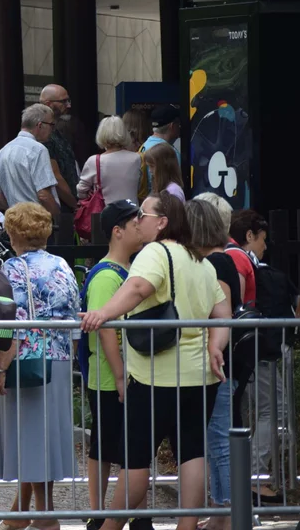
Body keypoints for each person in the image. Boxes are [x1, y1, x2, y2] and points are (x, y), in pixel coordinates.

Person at [80, 192, 230, 530]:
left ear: (161, 222)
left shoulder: (155, 252)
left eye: (143, 215)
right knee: (191, 452)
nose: (138, 220)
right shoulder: (201, 261)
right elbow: (222, 312)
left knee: (135, 459)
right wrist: (215, 346)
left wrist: (102, 313)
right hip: (198, 375)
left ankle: (110, 528)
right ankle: (187, 525)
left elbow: (138, 287)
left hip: (155, 376)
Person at [0, 202, 80, 530]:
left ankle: (46, 515)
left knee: (32, 439)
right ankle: (22, 511)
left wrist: (0, 367)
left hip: (26, 360)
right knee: (42, 437)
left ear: (14, 233)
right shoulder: (62, 265)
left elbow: (13, 322)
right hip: (57, 358)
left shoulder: (13, 268)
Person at [185, 196, 245, 529]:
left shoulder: (218, 264)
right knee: (217, 436)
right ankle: (221, 508)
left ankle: (225, 511)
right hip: (218, 360)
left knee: (219, 437)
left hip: (219, 362)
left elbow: (220, 312)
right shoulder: (219, 261)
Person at [82, 199, 142, 517]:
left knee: (119, 444)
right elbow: (104, 328)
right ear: (118, 231)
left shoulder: (128, 270)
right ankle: (97, 511)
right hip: (108, 376)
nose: (141, 226)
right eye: (135, 223)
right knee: (105, 445)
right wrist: (119, 376)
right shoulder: (107, 276)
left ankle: (115, 510)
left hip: (120, 373)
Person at [227, 209, 291, 506]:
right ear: (250, 236)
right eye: (262, 239)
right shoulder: (241, 260)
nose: (266, 247)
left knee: (261, 412)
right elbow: (238, 307)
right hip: (254, 352)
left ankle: (251, 477)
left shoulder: (240, 260)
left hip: (249, 353)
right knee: (273, 411)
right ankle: (253, 478)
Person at [0, 104, 60, 217]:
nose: (52, 130)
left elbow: (1, 196)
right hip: (36, 219)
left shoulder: (2, 152)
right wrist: (57, 216)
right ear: (40, 125)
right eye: (51, 125)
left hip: (13, 219)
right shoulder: (38, 149)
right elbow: (43, 194)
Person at [78, 116, 142, 206]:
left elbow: (81, 190)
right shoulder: (136, 158)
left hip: (104, 213)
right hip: (132, 211)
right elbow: (139, 186)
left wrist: (88, 195)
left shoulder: (94, 161)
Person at [39, 84, 80, 212]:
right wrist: (75, 205)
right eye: (63, 101)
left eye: (68, 100)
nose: (68, 105)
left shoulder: (56, 131)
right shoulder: (43, 135)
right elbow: (55, 177)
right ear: (48, 104)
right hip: (59, 209)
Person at [138, 105, 182, 198]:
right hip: (165, 203)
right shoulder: (169, 152)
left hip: (148, 202)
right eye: (179, 125)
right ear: (172, 126)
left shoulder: (144, 146)